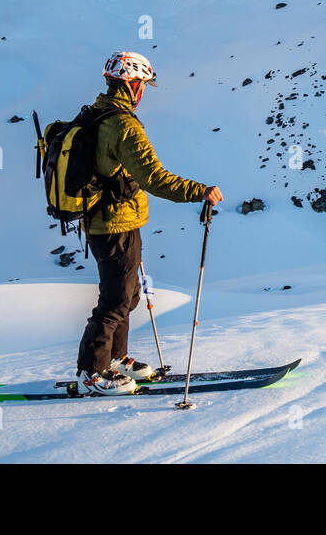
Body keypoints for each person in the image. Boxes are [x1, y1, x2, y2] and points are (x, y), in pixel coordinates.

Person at [76, 50, 223, 395]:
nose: (143, 92)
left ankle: (115, 360)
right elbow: (154, 178)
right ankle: (90, 374)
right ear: (132, 84)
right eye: (142, 84)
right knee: (115, 299)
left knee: (127, 296)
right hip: (114, 225)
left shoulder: (97, 114)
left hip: (111, 220)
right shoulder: (122, 125)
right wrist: (199, 191)